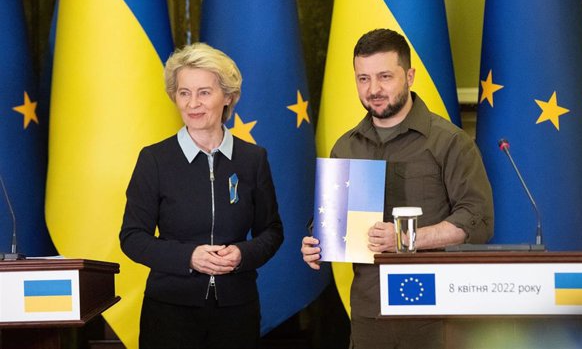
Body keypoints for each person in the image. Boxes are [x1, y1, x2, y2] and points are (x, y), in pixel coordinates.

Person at [301, 29, 494, 349]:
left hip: (436, 312)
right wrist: (317, 241)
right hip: (369, 313)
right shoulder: (346, 147)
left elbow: (478, 219)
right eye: (363, 79)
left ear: (410, 76)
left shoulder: (449, 142)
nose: (373, 89)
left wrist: (405, 239)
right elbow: (332, 219)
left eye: (385, 77)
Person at [120, 42, 284, 349]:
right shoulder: (154, 160)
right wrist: (189, 257)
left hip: (237, 311)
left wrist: (242, 255)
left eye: (204, 92)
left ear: (228, 97)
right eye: (184, 93)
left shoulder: (253, 159)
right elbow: (132, 237)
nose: (193, 103)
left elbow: (272, 231)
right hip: (170, 311)